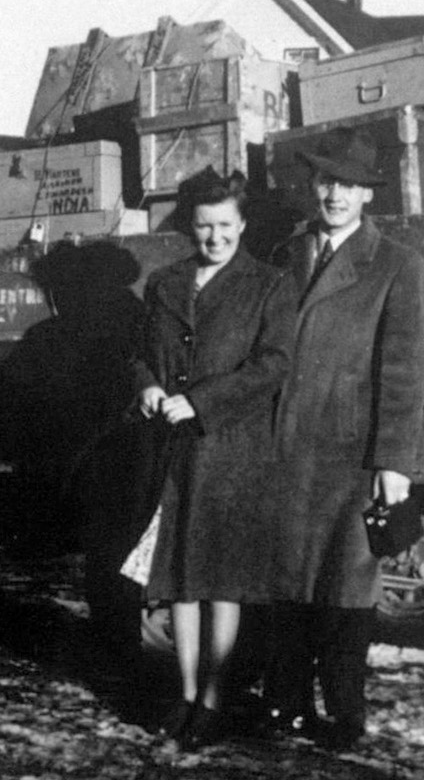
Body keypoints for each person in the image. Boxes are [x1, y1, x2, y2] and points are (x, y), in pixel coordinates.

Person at [263, 128, 424, 751]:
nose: (336, 194)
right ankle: (284, 704)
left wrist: (393, 464)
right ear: (314, 187)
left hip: (348, 454)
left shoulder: (396, 266)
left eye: (350, 185)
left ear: (367, 195)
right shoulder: (287, 254)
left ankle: (343, 712)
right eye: (327, 182)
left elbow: (403, 371)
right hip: (283, 446)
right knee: (286, 581)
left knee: (345, 587)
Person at [131, 167, 296, 749]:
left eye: (225, 225)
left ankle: (214, 697)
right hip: (176, 455)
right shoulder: (166, 282)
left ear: (242, 224)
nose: (215, 237)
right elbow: (140, 353)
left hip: (232, 451)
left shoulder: (270, 285)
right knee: (179, 581)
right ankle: (182, 694)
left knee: (222, 581)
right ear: (189, 227)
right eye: (204, 226)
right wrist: (148, 384)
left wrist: (198, 403)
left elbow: (273, 365)